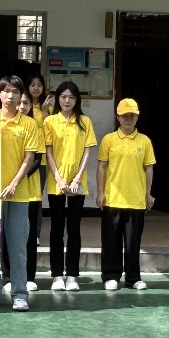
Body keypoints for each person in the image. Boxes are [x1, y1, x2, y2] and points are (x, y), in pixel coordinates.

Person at [0, 75, 43, 312]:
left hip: (18, 195)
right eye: (6, 91)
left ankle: (19, 293)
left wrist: (15, 183)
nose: (11, 96)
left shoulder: (29, 124)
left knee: (17, 247)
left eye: (16, 92)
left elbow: (29, 157)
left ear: (21, 96)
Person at [96, 98, 156, 291]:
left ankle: (133, 278)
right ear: (118, 117)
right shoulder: (109, 139)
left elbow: (148, 168)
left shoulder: (144, 141)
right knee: (111, 241)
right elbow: (102, 166)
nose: (128, 119)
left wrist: (147, 194)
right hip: (112, 198)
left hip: (136, 199)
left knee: (133, 243)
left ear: (137, 117)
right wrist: (100, 193)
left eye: (132, 115)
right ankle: (110, 276)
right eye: (124, 115)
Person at [44, 80, 97, 292]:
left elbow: (87, 152)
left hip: (77, 183)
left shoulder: (84, 122)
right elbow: (48, 152)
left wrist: (76, 179)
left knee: (74, 229)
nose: (67, 101)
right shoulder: (49, 121)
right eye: (63, 96)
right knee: (56, 229)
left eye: (71, 97)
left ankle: (73, 275)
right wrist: (58, 178)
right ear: (58, 98)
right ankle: (57, 275)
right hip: (56, 181)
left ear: (77, 100)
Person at [1, 91, 44, 293]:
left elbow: (35, 158)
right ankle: (7, 277)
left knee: (27, 236)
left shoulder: (33, 126)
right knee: (3, 236)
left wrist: (17, 179)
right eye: (21, 103)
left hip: (28, 190)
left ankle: (28, 277)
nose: (22, 106)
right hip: (4, 190)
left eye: (26, 103)